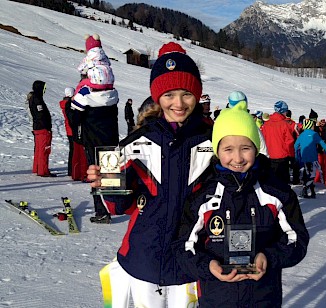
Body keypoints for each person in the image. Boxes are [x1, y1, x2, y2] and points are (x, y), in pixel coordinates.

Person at [87, 42, 214, 307]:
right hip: (145, 258)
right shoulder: (137, 141)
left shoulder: (213, 141)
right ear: (157, 97)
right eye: (168, 95)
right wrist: (106, 183)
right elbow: (119, 206)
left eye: (186, 94)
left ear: (197, 95)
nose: (178, 103)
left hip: (190, 260)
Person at [172, 101, 309, 307]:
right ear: (217, 151)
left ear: (256, 148)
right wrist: (208, 266)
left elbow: (297, 239)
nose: (237, 158)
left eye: (245, 148)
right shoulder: (203, 197)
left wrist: (268, 257)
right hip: (217, 298)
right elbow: (183, 246)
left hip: (263, 298)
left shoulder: (276, 193)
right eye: (228, 149)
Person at [72, 43, 120, 222]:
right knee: (111, 174)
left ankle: (102, 211)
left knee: (96, 175)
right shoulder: (113, 94)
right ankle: (116, 205)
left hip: (92, 140)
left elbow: (75, 115)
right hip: (111, 137)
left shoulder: (85, 93)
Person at [294, 119, 326, 198]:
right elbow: (323, 144)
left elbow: (296, 146)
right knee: (311, 175)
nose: (314, 127)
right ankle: (306, 190)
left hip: (304, 158)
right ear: (310, 126)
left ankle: (310, 191)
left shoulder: (302, 135)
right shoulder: (315, 134)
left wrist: (296, 155)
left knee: (307, 175)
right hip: (313, 158)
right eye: (313, 125)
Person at [261, 100, 294, 184]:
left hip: (269, 156)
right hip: (282, 157)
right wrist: (291, 156)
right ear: (283, 111)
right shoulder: (285, 124)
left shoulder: (266, 124)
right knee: (282, 181)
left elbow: (263, 139)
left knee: (271, 181)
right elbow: (289, 141)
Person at [28, 80, 55, 177]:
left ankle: (37, 168)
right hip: (42, 128)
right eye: (44, 88)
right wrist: (47, 127)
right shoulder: (37, 99)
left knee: (39, 149)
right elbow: (41, 115)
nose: (45, 90)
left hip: (37, 128)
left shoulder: (34, 98)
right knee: (44, 150)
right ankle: (43, 171)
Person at [59, 87, 75, 176]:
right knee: (74, 150)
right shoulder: (70, 104)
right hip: (72, 129)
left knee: (72, 150)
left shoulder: (64, 104)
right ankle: (72, 169)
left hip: (68, 129)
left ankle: (71, 169)